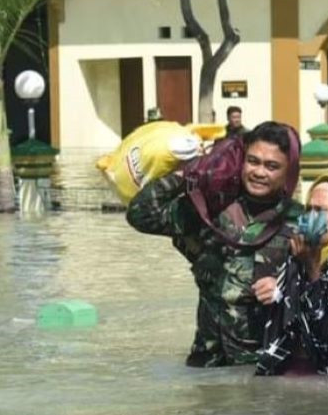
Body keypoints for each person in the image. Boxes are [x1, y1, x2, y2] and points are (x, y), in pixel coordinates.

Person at [127, 121, 303, 367]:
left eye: (272, 166)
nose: (259, 172)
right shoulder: (212, 212)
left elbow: (326, 296)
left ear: (289, 171)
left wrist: (284, 288)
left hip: (262, 368)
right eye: (253, 161)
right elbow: (141, 215)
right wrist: (189, 173)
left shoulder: (299, 224)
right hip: (206, 362)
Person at [255, 176, 328, 377]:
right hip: (284, 378)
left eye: (321, 211)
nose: (311, 217)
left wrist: (313, 267)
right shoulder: (300, 253)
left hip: (322, 386)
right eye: (309, 209)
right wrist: (278, 290)